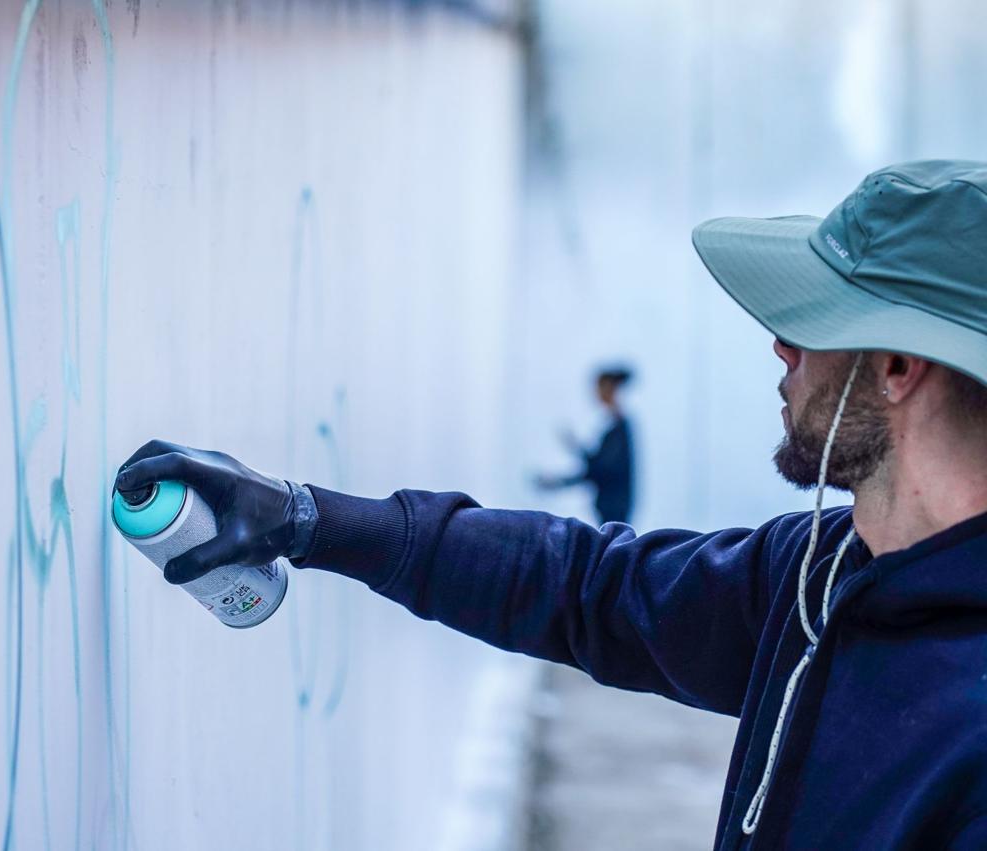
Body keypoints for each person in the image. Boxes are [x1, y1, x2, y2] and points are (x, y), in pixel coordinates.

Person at [115, 161, 987, 849]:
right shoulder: (818, 573)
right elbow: (588, 587)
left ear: (897, 367)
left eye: (815, 318)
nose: (780, 342)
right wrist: (308, 519)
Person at [535, 366, 635, 524]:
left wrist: (560, 481)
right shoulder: (615, 429)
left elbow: (602, 470)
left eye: (600, 387)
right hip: (608, 509)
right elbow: (597, 467)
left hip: (614, 510)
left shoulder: (619, 429)